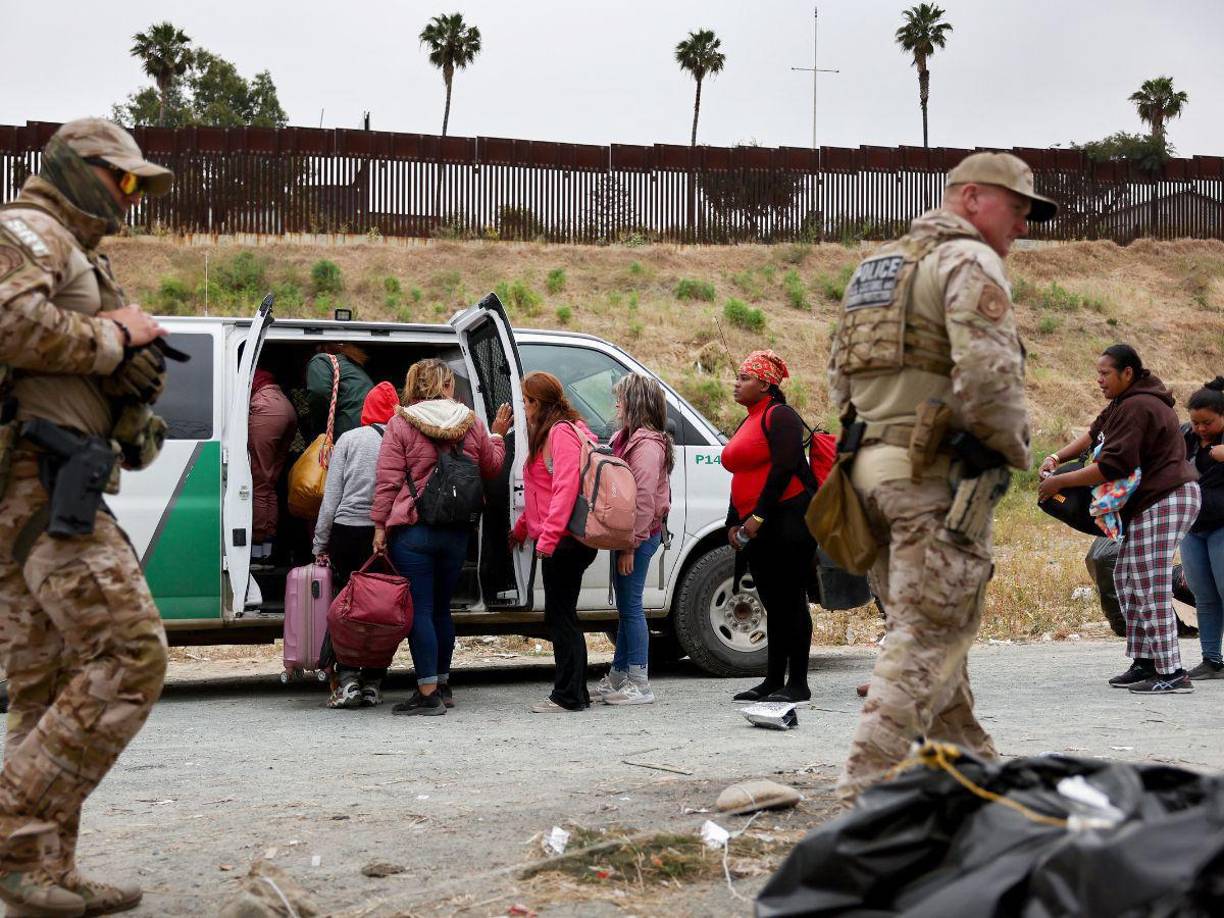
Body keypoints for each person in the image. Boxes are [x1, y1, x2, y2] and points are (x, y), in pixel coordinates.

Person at [828, 151, 1054, 804]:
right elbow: (988, 373)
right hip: (933, 481)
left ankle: (978, 777)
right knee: (926, 638)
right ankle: (860, 795)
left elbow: (841, 376)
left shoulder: (877, 267)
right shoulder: (969, 260)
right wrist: (1005, 449)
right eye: (1018, 210)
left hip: (869, 473)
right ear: (974, 198)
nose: (1023, 228)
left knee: (934, 631)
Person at [0, 118, 174, 915]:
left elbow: (93, 375)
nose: (129, 198)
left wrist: (133, 400)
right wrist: (111, 340)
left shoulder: (79, 255)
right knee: (130, 655)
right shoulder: (28, 230)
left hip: (55, 481)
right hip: (34, 483)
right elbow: (8, 323)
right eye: (122, 180)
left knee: (47, 684)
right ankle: (10, 830)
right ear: (76, 169)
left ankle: (38, 869)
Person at [1040, 345, 1200, 693]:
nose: (1099, 380)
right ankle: (1145, 662)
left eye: (1105, 374)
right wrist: (1056, 457)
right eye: (1098, 374)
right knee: (1126, 577)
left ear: (1127, 373)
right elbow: (1093, 434)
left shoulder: (1140, 405)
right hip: (1150, 503)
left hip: (1167, 498)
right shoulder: (1123, 404)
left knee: (1149, 583)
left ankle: (1172, 671)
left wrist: (1060, 481)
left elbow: (1114, 466)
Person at [371, 360, 510, 716]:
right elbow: (492, 468)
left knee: (420, 609)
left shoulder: (401, 423)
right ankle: (443, 684)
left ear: (414, 384)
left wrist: (379, 526)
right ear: (448, 385)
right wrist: (496, 435)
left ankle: (428, 692)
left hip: (414, 530)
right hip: (457, 531)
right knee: (442, 609)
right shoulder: (471, 421)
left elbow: (388, 480)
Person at [722, 351, 818, 705]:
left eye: (745, 377)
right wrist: (733, 521)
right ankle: (773, 679)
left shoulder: (782, 416)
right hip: (757, 525)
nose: (737, 383)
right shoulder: (748, 420)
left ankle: (799, 683)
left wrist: (758, 517)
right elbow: (739, 476)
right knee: (772, 602)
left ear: (765, 384)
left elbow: (782, 469)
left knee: (791, 601)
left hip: (789, 520)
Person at [510, 372, 599, 713]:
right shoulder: (554, 431)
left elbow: (564, 490)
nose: (523, 407)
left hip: (565, 541)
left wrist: (546, 539)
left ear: (537, 403)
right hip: (562, 537)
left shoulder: (560, 433)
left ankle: (568, 696)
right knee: (564, 617)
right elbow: (540, 493)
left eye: (526, 400)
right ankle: (577, 692)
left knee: (561, 619)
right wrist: (522, 530)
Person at [314, 381, 400, 709]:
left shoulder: (349, 440)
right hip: (387, 534)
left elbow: (331, 499)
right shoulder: (402, 438)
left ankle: (348, 679)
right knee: (381, 609)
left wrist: (320, 543)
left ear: (366, 410)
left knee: (347, 610)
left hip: (347, 532)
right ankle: (375, 682)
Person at [596, 374, 673, 706]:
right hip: (630, 536)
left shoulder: (647, 447)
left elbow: (642, 502)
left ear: (635, 404)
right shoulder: (627, 439)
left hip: (638, 537)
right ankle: (618, 676)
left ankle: (640, 683)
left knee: (630, 607)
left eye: (621, 398)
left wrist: (629, 545)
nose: (617, 404)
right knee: (627, 606)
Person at [1179, 378, 1224, 681]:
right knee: (1204, 596)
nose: (1201, 428)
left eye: (1207, 422)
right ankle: (1212, 661)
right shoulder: (1188, 438)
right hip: (1192, 528)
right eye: (1195, 422)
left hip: (1222, 526)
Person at [248, 368, 297, 553]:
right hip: (284, 404)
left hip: (267, 407)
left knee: (259, 481)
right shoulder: (258, 368)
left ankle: (257, 548)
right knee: (269, 484)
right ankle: (268, 549)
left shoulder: (236, 364)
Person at [306, 343, 373, 442]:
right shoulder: (355, 367)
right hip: (369, 432)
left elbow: (319, 392)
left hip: (346, 432)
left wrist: (319, 429)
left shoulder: (322, 360)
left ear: (321, 347)